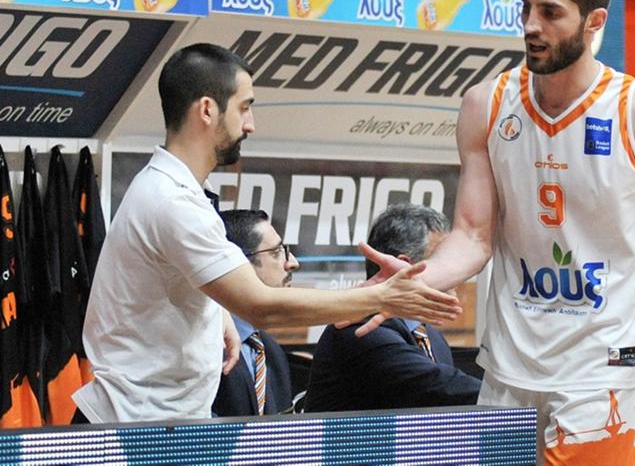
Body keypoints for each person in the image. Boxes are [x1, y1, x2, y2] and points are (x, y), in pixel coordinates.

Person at [358, 0, 635, 463]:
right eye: (526, 8)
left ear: (594, 21)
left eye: (551, 12)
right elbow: (472, 236)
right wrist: (410, 283)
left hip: (603, 372)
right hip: (509, 368)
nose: (531, 25)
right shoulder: (486, 104)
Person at [72, 43, 461, 424]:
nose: (250, 124)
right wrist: (381, 297)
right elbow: (262, 306)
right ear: (207, 110)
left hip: (155, 421)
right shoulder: (171, 201)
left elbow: (177, 286)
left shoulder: (181, 192)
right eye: (244, 107)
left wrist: (216, 313)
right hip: (130, 427)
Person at [305, 204, 482, 412]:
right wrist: (510, 396)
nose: (454, 270)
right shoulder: (360, 329)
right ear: (405, 267)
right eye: (441, 259)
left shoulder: (432, 336)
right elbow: (440, 388)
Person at [212, 210, 296, 417]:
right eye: (276, 252)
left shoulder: (270, 349)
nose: (293, 262)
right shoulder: (203, 345)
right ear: (239, 264)